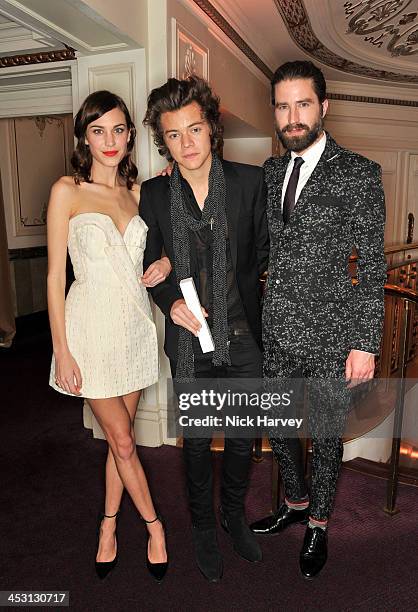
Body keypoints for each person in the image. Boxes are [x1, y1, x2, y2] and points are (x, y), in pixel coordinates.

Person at [250, 61, 386, 578]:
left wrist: (364, 342)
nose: (292, 116)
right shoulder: (268, 170)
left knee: (325, 433)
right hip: (278, 328)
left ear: (323, 106)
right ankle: (298, 501)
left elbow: (371, 266)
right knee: (279, 424)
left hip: (333, 335)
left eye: (303, 103)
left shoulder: (359, 173)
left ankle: (320, 525)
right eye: (283, 106)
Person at [140, 76, 269, 582]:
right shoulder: (153, 194)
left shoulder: (248, 182)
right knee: (195, 442)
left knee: (241, 437)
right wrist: (169, 301)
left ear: (212, 128)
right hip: (190, 341)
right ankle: (200, 527)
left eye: (195, 129)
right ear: (164, 142)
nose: (187, 143)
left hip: (242, 337)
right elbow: (151, 263)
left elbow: (262, 254)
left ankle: (232, 517)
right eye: (174, 135)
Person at [47, 90, 170, 582]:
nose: (110, 140)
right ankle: (155, 527)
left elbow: (161, 254)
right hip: (89, 333)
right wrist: (61, 349)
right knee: (122, 440)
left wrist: (162, 264)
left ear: (129, 134)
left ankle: (108, 523)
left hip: (136, 329)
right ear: (84, 137)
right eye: (98, 131)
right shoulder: (67, 191)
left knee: (121, 445)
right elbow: (56, 277)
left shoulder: (139, 195)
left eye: (119, 129)